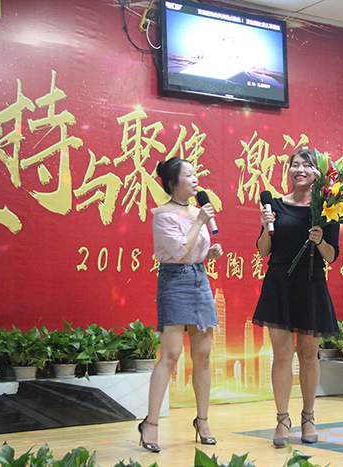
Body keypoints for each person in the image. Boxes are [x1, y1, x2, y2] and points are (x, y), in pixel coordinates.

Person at [252, 148, 340, 448]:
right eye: (294, 164)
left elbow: (332, 256)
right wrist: (266, 226)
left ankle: (308, 417)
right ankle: (282, 419)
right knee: (281, 355)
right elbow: (263, 251)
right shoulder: (275, 205)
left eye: (307, 165)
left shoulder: (328, 209)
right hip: (279, 283)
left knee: (308, 355)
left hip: (311, 283)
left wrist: (321, 240)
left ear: (318, 173)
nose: (299, 169)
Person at [137, 157, 224, 453]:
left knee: (203, 356)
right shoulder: (163, 215)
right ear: (174, 184)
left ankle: (202, 421)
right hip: (175, 281)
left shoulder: (198, 211)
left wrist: (208, 254)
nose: (195, 179)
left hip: (200, 279)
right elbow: (177, 250)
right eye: (188, 175)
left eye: (195, 173)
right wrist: (199, 222)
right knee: (171, 355)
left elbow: (193, 250)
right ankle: (150, 424)